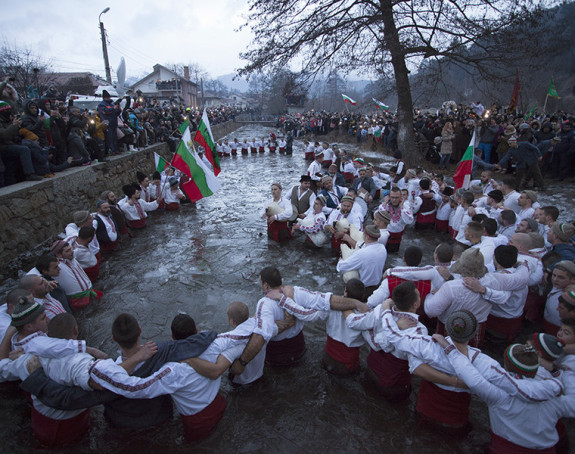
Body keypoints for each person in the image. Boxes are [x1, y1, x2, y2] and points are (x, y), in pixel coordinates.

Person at [345, 281, 428, 401]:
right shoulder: (419, 330)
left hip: (371, 373)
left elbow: (354, 322)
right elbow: (418, 365)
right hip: (393, 386)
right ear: (415, 305)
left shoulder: (381, 310)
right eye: (419, 296)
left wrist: (343, 304)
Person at [336, 225, 388, 295]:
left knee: (349, 275)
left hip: (364, 289)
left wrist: (340, 260)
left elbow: (342, 267)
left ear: (367, 237)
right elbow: (362, 246)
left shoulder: (362, 253)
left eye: (364, 234)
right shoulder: (382, 248)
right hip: (377, 286)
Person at [376, 187, 414, 253]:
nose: (394, 200)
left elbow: (409, 220)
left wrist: (402, 207)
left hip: (397, 237)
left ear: (401, 197)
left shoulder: (406, 206)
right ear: (389, 197)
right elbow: (377, 215)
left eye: (396, 198)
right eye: (392, 197)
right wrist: (385, 202)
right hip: (384, 235)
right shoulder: (386, 205)